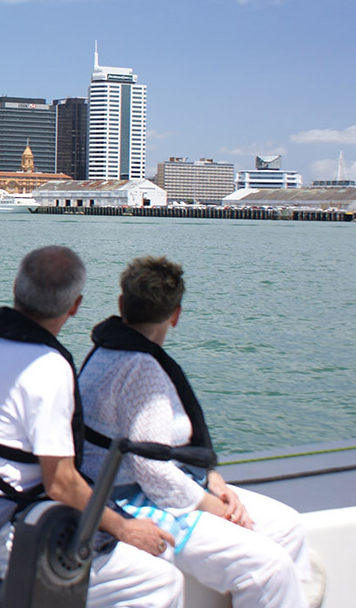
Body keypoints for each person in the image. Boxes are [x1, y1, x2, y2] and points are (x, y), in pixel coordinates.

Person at [0, 245, 183, 607]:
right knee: (161, 578)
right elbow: (61, 483)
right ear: (75, 305)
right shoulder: (48, 367)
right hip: (5, 532)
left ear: (15, 289)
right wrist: (125, 528)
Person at [79, 256, 312, 607]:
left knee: (288, 526)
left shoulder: (105, 350)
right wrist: (212, 506)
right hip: (131, 499)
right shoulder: (142, 370)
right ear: (176, 315)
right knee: (269, 569)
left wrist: (213, 481)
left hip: (160, 486)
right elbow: (152, 471)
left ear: (122, 305)